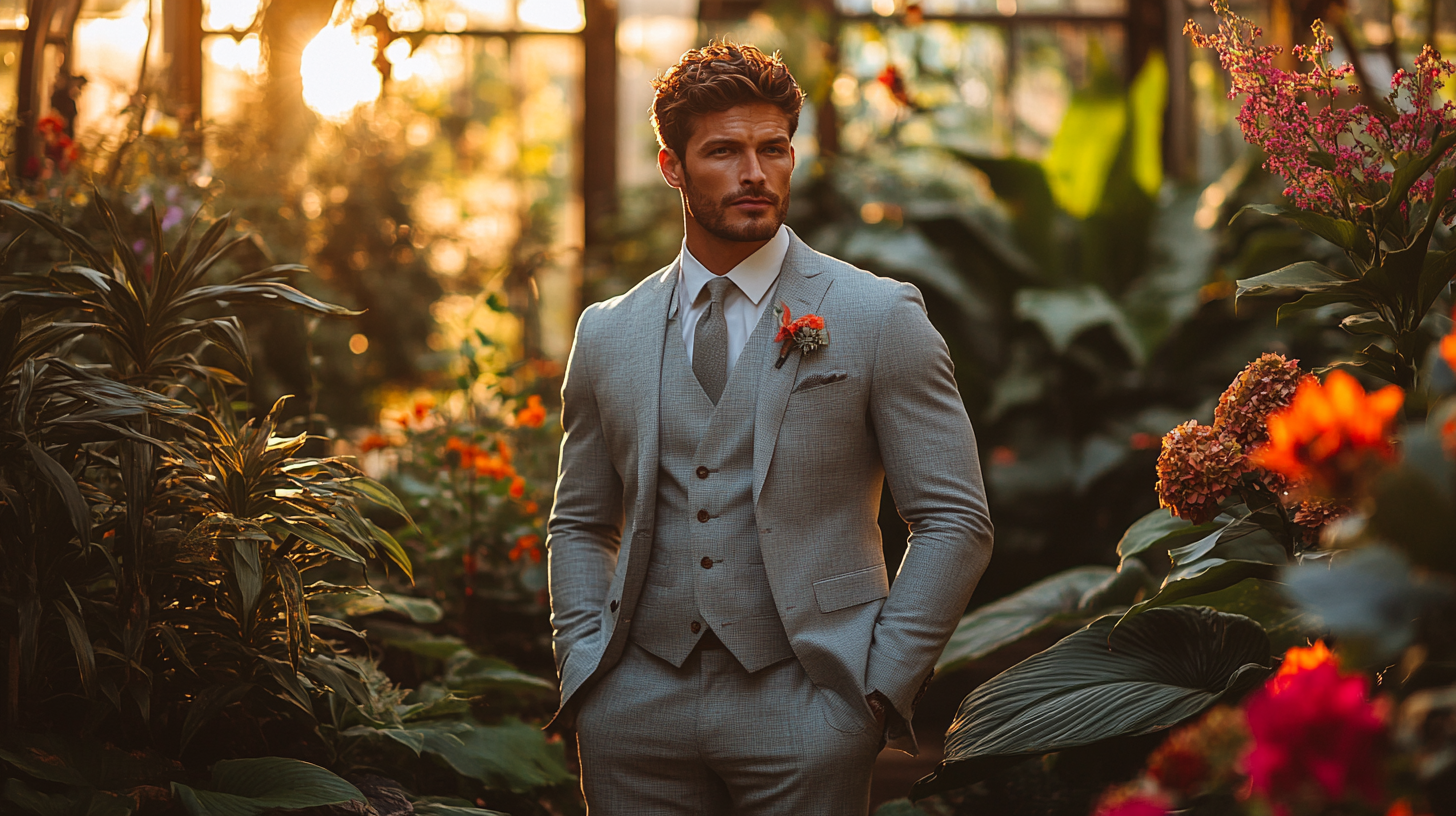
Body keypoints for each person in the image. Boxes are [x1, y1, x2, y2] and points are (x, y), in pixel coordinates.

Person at [546, 40, 993, 815]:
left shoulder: (878, 317)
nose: (755, 173)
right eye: (723, 151)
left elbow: (955, 519)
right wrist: (587, 672)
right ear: (672, 168)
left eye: (773, 149)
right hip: (633, 712)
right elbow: (581, 521)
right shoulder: (606, 333)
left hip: (810, 704)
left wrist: (878, 689)